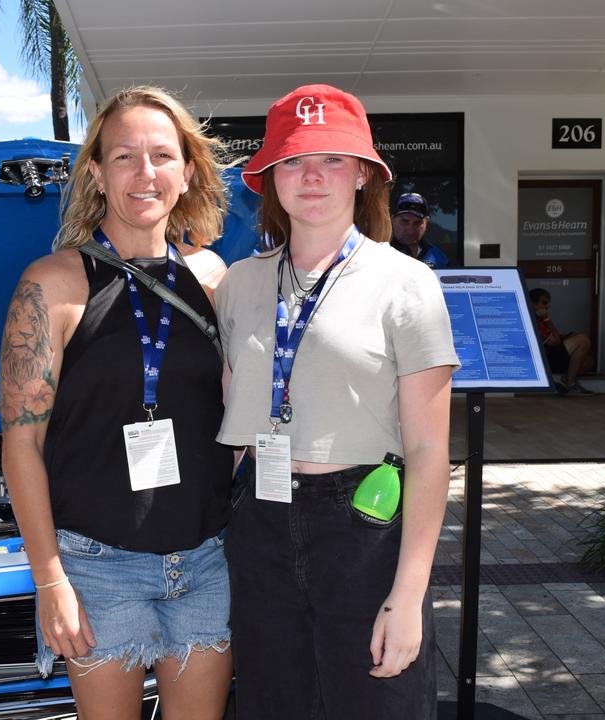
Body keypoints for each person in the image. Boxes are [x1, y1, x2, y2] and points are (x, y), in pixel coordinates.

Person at [216, 84, 460, 719]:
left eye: (331, 158)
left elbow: (432, 449)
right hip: (259, 520)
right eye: (294, 160)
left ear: (362, 174)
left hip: (364, 524)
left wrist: (408, 594)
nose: (312, 176)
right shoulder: (238, 284)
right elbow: (230, 418)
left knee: (379, 704)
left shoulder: (406, 282)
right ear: (270, 179)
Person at [0, 86, 233, 720]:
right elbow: (22, 440)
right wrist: (50, 580)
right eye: (124, 156)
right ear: (97, 174)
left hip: (206, 559)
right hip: (97, 566)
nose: (144, 172)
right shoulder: (52, 284)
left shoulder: (216, 283)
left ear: (187, 173)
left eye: (161, 155)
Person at [528, 287, 595, 395]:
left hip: (551, 355)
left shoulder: (537, 318)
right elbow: (555, 341)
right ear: (533, 304)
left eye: (548, 303)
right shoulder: (532, 320)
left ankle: (567, 378)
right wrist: (546, 319)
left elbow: (555, 337)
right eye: (544, 303)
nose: (547, 306)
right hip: (544, 360)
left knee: (588, 361)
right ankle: (571, 383)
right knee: (583, 339)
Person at [389, 192, 450, 268]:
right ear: (392, 220)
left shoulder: (438, 257)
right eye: (404, 221)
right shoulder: (379, 254)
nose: (410, 229)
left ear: (426, 222)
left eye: (417, 222)